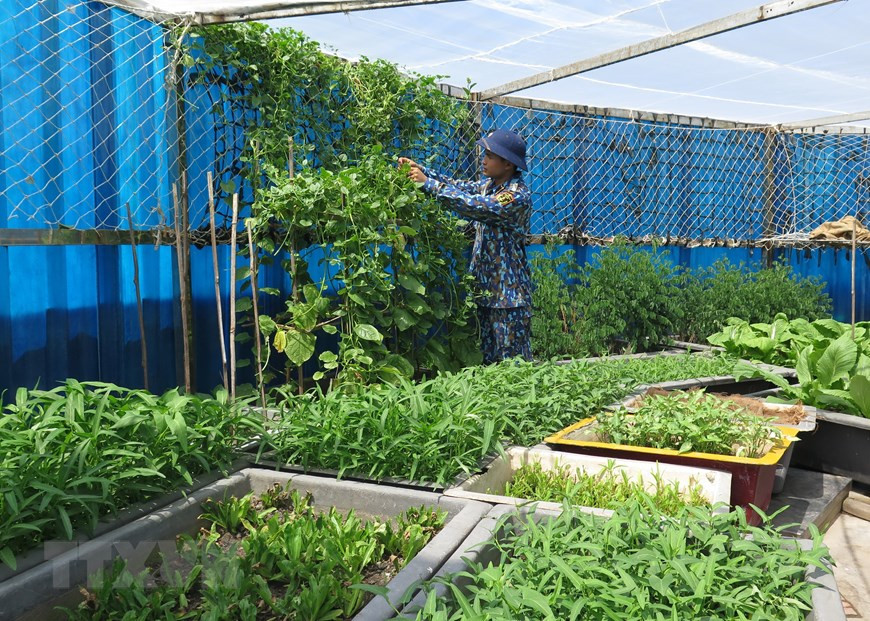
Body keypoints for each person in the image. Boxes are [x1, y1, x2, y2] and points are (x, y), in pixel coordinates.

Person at [399, 129, 532, 363]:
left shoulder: (515, 196)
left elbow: (475, 206)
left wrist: (428, 184)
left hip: (508, 298)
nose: (484, 160)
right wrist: (420, 169)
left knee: (513, 365)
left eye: (490, 156)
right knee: (489, 362)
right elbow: (455, 185)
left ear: (508, 164)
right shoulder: (487, 186)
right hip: (485, 292)